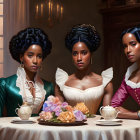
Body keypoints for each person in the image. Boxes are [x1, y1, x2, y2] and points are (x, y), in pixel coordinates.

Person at [55, 24, 113, 114]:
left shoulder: (105, 82)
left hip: (96, 128)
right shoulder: (62, 83)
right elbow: (59, 116)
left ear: (91, 54)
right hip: (70, 127)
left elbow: (107, 116)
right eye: (75, 53)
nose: (79, 58)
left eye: (84, 53)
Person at [0, 27, 54, 117]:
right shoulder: (5, 84)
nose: (35, 60)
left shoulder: (48, 87)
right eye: (30, 55)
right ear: (21, 57)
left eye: (39, 56)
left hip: (40, 131)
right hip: (14, 131)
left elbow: (50, 119)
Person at [111, 26, 140, 119]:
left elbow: (118, 112)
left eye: (133, 44)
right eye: (125, 46)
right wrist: (136, 115)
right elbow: (113, 106)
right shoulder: (129, 76)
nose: (128, 50)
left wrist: (127, 114)